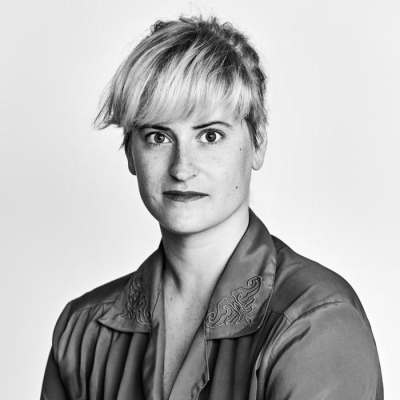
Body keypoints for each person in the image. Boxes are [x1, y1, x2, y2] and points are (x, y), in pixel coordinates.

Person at [40, 15, 383, 400]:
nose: (182, 168)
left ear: (258, 143)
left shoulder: (315, 321)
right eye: (158, 137)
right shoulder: (84, 330)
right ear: (130, 153)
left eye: (210, 135)